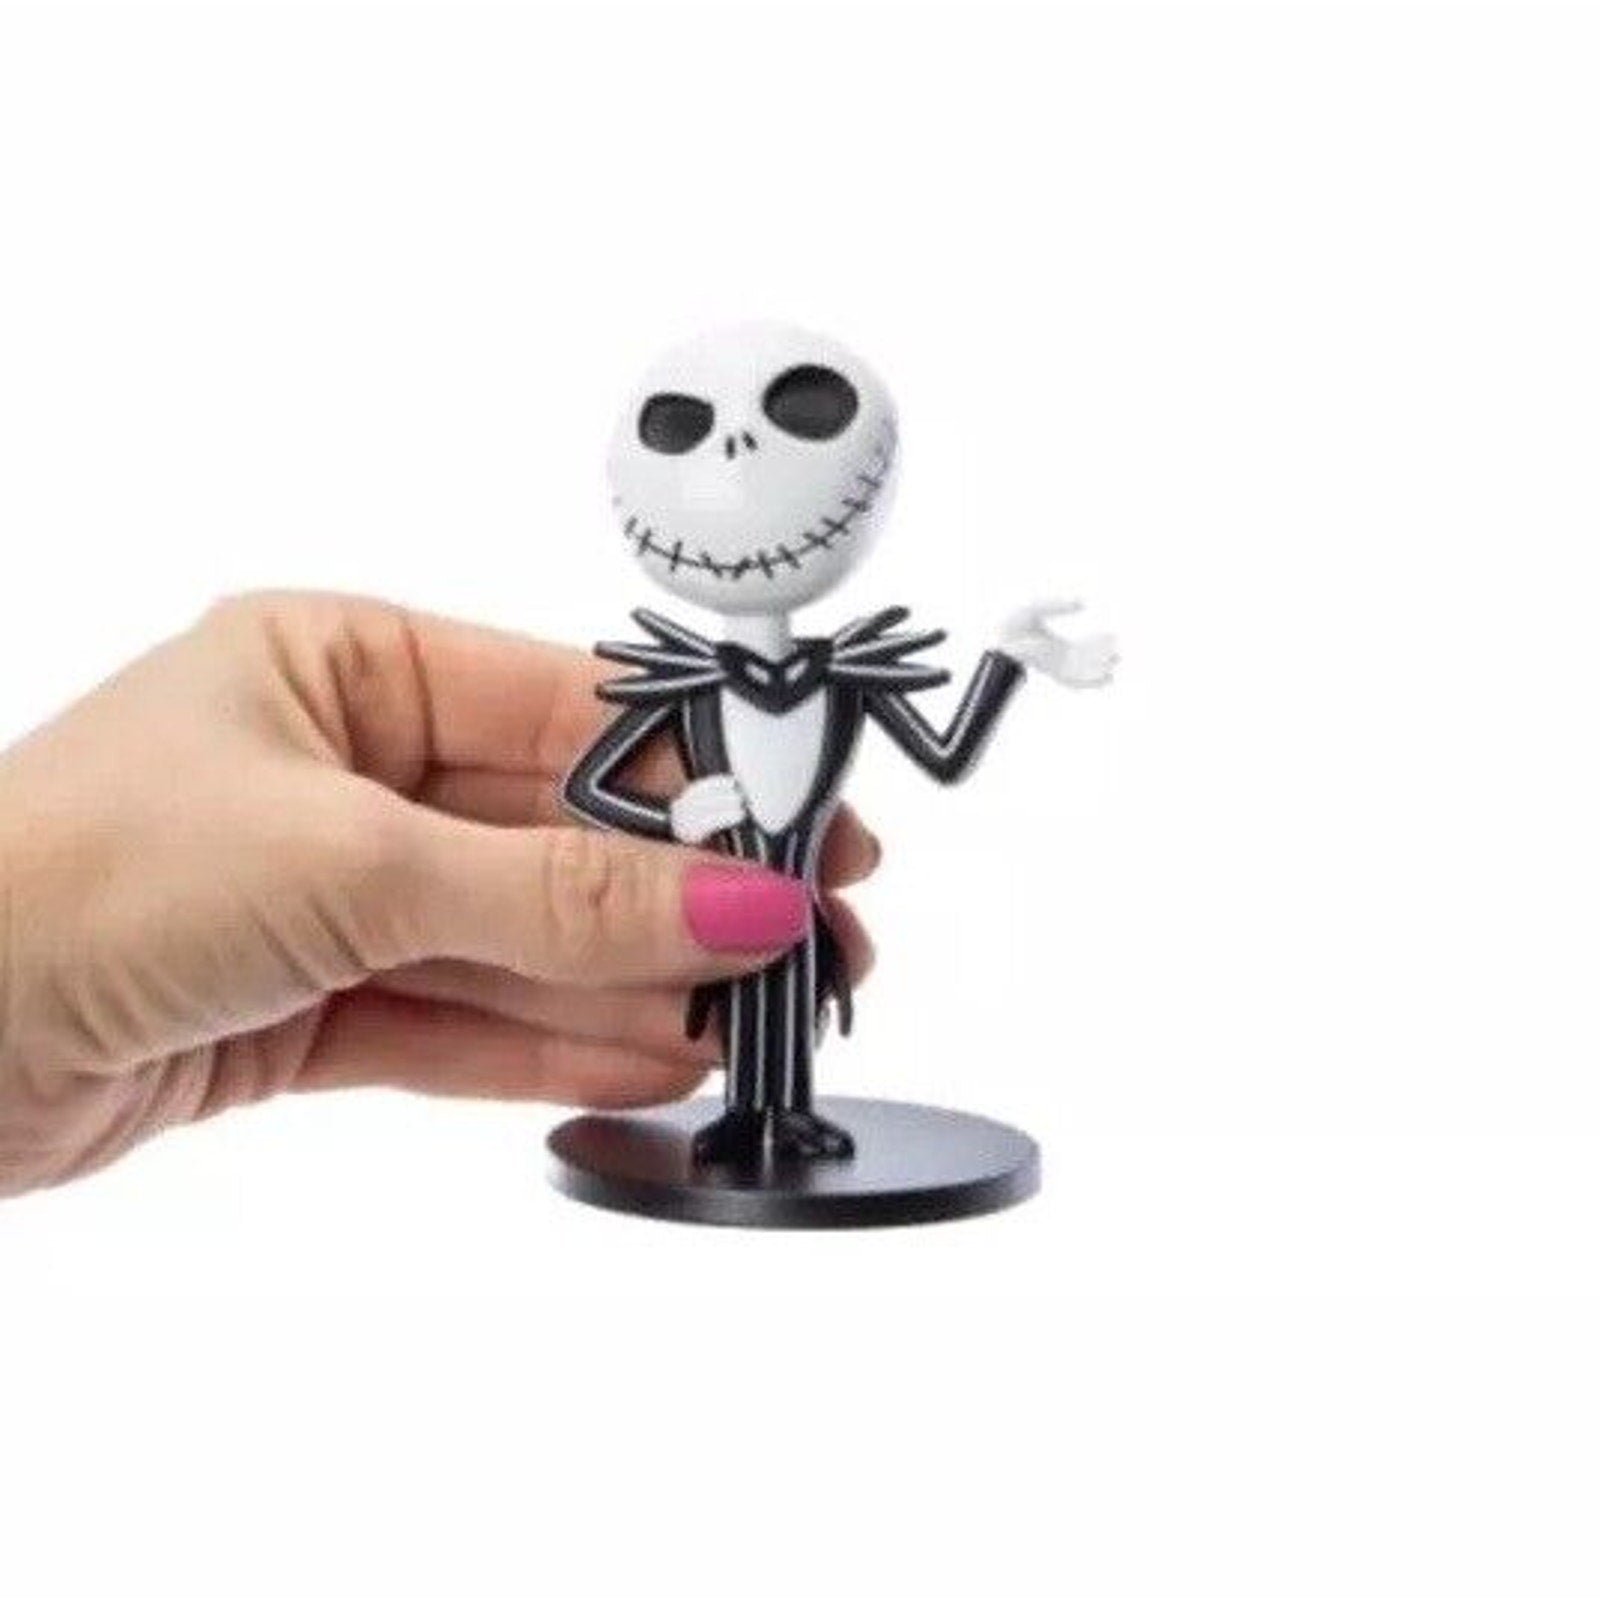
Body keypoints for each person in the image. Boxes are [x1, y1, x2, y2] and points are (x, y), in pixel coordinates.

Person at [0, 592, 877, 1198]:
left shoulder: (835, 691)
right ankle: (751, 1113)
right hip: (736, 882)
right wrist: (674, 814)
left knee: (782, 986)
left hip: (786, 905)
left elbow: (940, 749)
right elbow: (590, 787)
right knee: (739, 991)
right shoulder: (685, 695)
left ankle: (782, 1109)